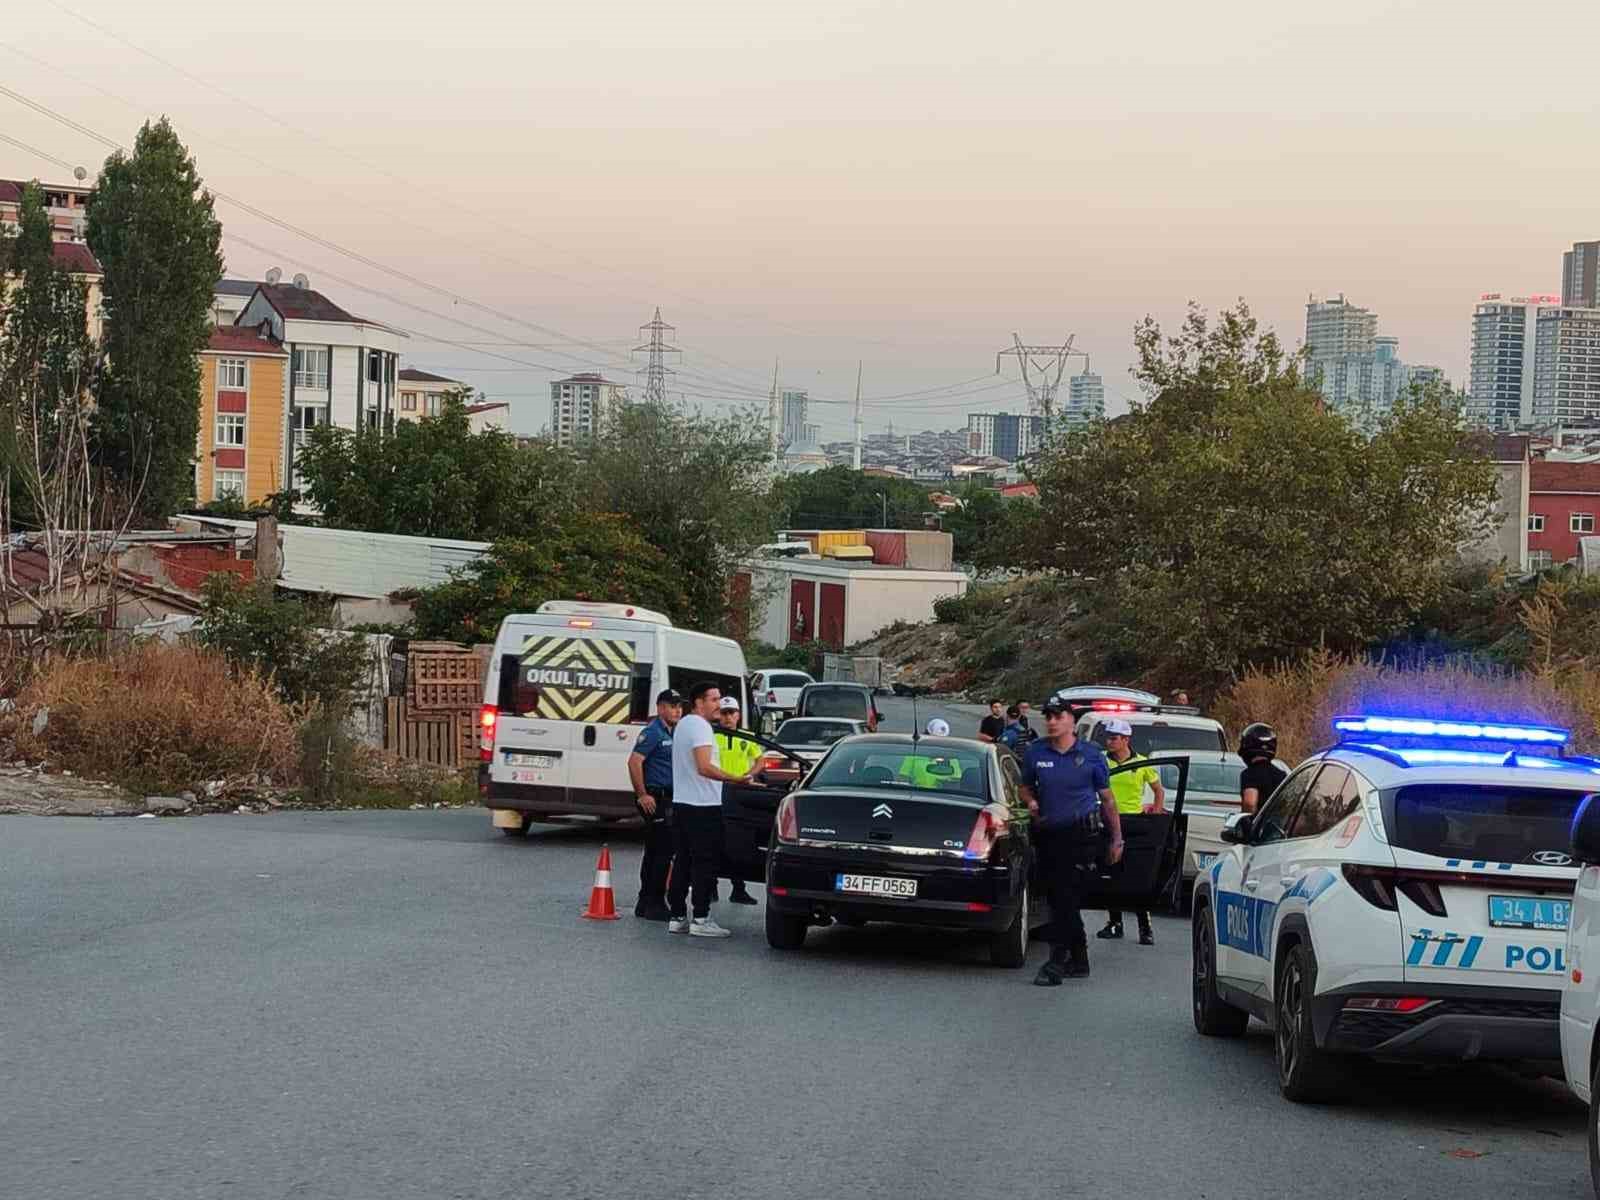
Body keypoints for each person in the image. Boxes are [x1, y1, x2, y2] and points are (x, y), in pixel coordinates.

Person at [1020, 699, 1123, 986]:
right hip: (1048, 834)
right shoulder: (1036, 752)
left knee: (1065, 896)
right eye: (1048, 716)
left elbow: (1108, 799)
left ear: (1072, 721)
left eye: (1058, 716)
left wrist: (1117, 839)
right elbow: (1025, 786)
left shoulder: (1090, 755)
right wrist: (1030, 802)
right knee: (1058, 898)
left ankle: (1056, 961)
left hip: (1081, 837)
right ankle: (1080, 960)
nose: (1052, 721)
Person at [668, 681, 755, 938]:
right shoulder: (701, 727)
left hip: (683, 803)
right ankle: (701, 917)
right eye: (714, 699)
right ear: (698, 702)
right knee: (704, 862)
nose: (719, 704)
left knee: (683, 860)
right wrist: (736, 778)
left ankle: (677, 916)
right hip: (702, 806)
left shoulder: (683, 725)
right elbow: (704, 767)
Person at [1095, 717, 1165, 946]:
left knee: (1137, 876)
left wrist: (1155, 809)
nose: (1110, 742)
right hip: (1108, 821)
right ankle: (1115, 923)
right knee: (1111, 874)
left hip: (1134, 823)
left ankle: (1145, 927)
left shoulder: (1142, 763)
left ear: (1126, 739)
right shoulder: (1101, 761)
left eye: (1114, 738)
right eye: (1108, 737)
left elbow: (1158, 790)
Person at [627, 688, 683, 921]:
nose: (677, 710)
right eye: (672, 706)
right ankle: (655, 902)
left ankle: (645, 901)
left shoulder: (674, 732)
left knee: (654, 851)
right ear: (660, 708)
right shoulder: (653, 732)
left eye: (679, 706)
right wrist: (642, 794)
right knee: (661, 852)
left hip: (667, 797)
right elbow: (634, 762)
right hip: (655, 797)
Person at [713, 695, 761, 906]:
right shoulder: (713, 735)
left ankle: (738, 889)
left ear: (738, 715)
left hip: (739, 792)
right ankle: (710, 887)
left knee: (736, 841)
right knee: (714, 838)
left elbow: (761, 759)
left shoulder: (746, 736)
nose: (728, 716)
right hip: (717, 790)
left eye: (732, 712)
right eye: (724, 713)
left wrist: (750, 774)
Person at [1238, 722, 1285, 814]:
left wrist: (1248, 823)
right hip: (1277, 826)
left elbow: (1250, 804)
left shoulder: (1249, 775)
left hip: (1261, 827)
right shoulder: (1282, 775)